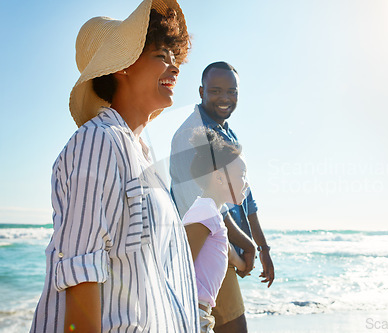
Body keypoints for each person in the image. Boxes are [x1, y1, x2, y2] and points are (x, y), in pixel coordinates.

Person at [30, 1, 199, 332]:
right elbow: (82, 272)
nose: (175, 67)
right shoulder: (98, 141)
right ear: (123, 66)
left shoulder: (140, 154)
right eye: (161, 56)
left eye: (174, 57)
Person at [170, 61, 275, 332]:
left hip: (222, 247)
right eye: (216, 91)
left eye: (232, 92)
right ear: (201, 91)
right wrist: (246, 246)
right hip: (207, 246)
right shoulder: (190, 135)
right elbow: (203, 204)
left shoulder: (228, 133)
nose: (225, 98)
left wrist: (261, 248)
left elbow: (246, 197)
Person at [182, 127, 247, 333]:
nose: (246, 183)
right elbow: (179, 267)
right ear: (219, 178)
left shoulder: (211, 214)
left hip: (201, 316)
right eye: (242, 175)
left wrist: (244, 262)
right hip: (192, 317)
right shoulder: (204, 212)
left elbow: (223, 249)